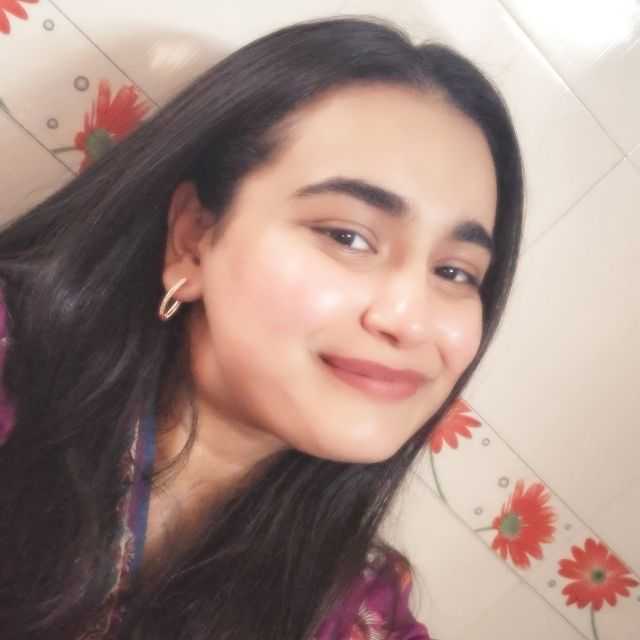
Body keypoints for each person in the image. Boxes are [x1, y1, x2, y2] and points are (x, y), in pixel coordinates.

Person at [0, 15, 523, 640]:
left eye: (456, 272)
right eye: (347, 236)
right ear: (194, 237)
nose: (411, 321)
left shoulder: (359, 614)